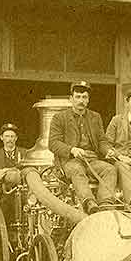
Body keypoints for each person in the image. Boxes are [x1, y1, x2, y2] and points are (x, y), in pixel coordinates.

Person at [48, 81, 116, 214]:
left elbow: (101, 140)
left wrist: (108, 150)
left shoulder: (95, 117)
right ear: (71, 99)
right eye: (78, 97)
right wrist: (72, 150)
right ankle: (89, 203)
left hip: (91, 160)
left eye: (84, 97)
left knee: (110, 169)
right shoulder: (59, 118)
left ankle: (105, 204)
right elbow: (53, 143)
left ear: (88, 100)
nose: (81, 101)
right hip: (70, 161)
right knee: (76, 169)